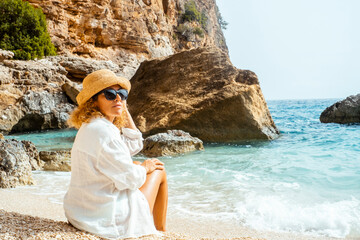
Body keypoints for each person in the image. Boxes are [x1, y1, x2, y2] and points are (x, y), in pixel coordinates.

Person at [64, 69, 168, 239]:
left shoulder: (92, 126)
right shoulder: (105, 133)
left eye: (122, 94)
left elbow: (134, 144)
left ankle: (159, 228)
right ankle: (161, 230)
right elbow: (131, 180)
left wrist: (122, 107)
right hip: (105, 220)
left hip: (80, 213)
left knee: (134, 165)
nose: (118, 98)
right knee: (158, 170)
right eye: (110, 94)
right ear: (94, 101)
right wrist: (145, 167)